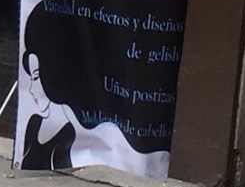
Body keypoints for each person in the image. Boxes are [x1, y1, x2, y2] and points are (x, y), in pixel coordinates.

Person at [19, 50, 169, 176]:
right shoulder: (34, 122)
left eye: (37, 77)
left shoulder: (70, 135)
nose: (31, 89)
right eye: (31, 77)